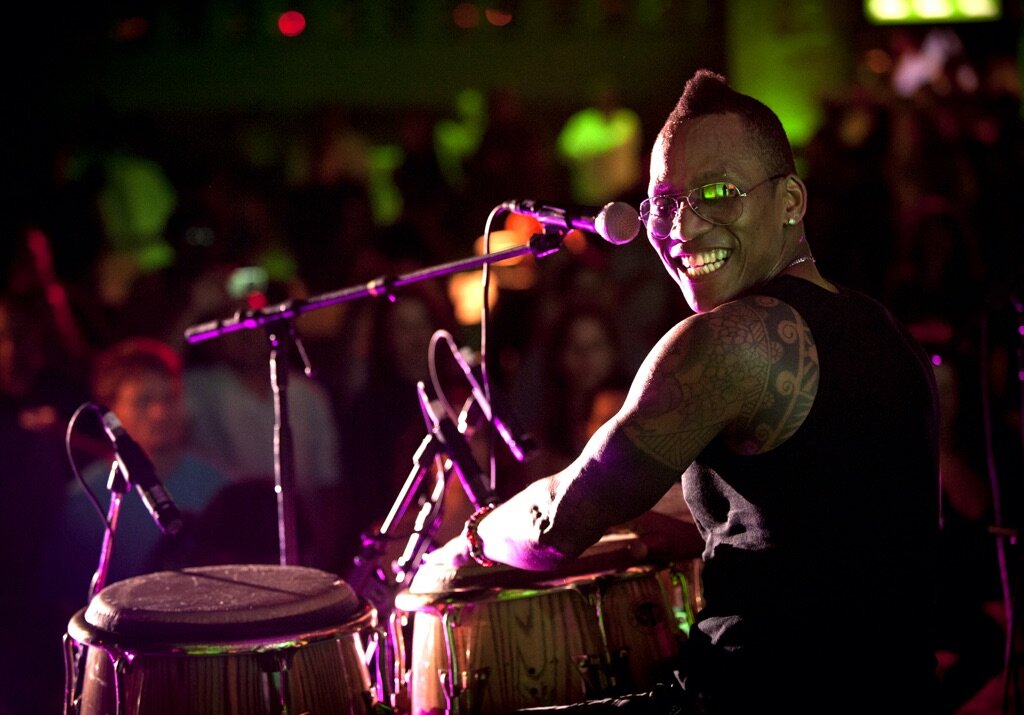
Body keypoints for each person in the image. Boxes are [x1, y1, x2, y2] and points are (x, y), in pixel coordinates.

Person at [427, 69, 941, 713]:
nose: (684, 228)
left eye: (718, 194)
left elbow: (558, 524)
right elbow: (802, 510)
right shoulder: (883, 328)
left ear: (791, 201)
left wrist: (471, 541)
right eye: (663, 204)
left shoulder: (729, 339)